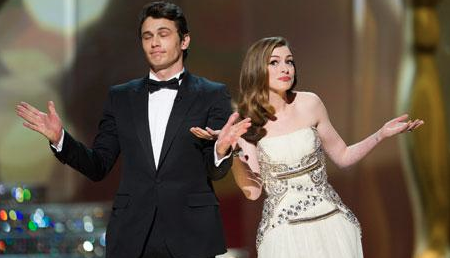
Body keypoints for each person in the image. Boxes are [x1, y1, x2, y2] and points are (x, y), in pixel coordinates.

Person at [15, 2, 251, 258]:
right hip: (133, 235)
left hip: (190, 233)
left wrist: (221, 149)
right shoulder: (121, 97)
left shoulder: (211, 94)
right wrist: (60, 139)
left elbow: (214, 171)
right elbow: (98, 165)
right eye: (147, 36)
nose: (154, 42)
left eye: (163, 34)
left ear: (184, 41)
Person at [190, 36, 424, 258]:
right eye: (275, 62)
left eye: (289, 61)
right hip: (284, 234)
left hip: (332, 224)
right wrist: (232, 150)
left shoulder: (310, 103)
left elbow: (343, 156)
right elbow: (253, 192)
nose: (286, 68)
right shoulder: (246, 121)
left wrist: (381, 134)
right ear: (257, 70)